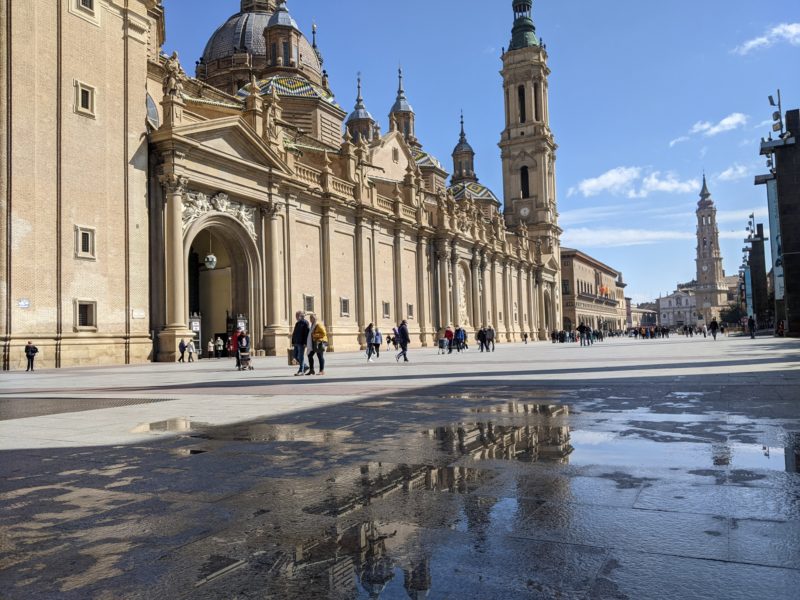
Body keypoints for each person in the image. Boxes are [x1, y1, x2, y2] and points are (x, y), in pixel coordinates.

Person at [291, 311, 310, 375]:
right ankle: (305, 366)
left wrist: (305, 343)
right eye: (296, 316)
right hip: (296, 342)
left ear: (300, 316)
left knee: (300, 356)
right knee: (295, 356)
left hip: (301, 343)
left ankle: (301, 371)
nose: (296, 317)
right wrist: (293, 341)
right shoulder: (297, 323)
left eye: (297, 315)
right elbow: (294, 333)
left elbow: (307, 334)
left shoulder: (305, 323)